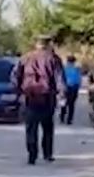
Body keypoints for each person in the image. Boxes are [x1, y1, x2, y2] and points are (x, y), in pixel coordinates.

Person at [11, 34, 66, 165]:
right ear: (48, 44)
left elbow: (14, 76)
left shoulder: (25, 58)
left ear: (36, 44)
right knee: (47, 127)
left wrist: (18, 92)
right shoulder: (54, 59)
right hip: (48, 98)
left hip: (30, 98)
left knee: (31, 128)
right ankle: (47, 154)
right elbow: (59, 78)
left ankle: (32, 155)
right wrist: (62, 95)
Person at [59, 55, 82, 125]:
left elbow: (61, 78)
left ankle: (62, 116)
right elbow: (78, 79)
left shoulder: (64, 68)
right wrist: (78, 86)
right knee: (71, 104)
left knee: (64, 102)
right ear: (74, 61)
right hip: (74, 87)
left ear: (67, 61)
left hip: (65, 87)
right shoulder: (77, 69)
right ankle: (69, 119)